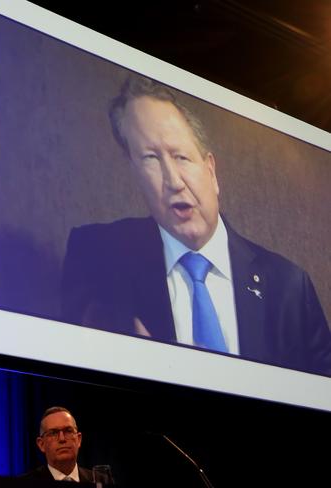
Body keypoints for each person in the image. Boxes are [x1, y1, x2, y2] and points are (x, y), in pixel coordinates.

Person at [61, 76, 331, 375]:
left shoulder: (289, 287)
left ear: (211, 171)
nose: (174, 181)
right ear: (135, 173)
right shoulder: (98, 256)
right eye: (151, 158)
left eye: (181, 157)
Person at [21, 406, 110, 483]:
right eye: (53, 433)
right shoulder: (25, 484)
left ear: (79, 439)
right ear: (41, 444)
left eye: (68, 431)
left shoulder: (102, 481)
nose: (62, 439)